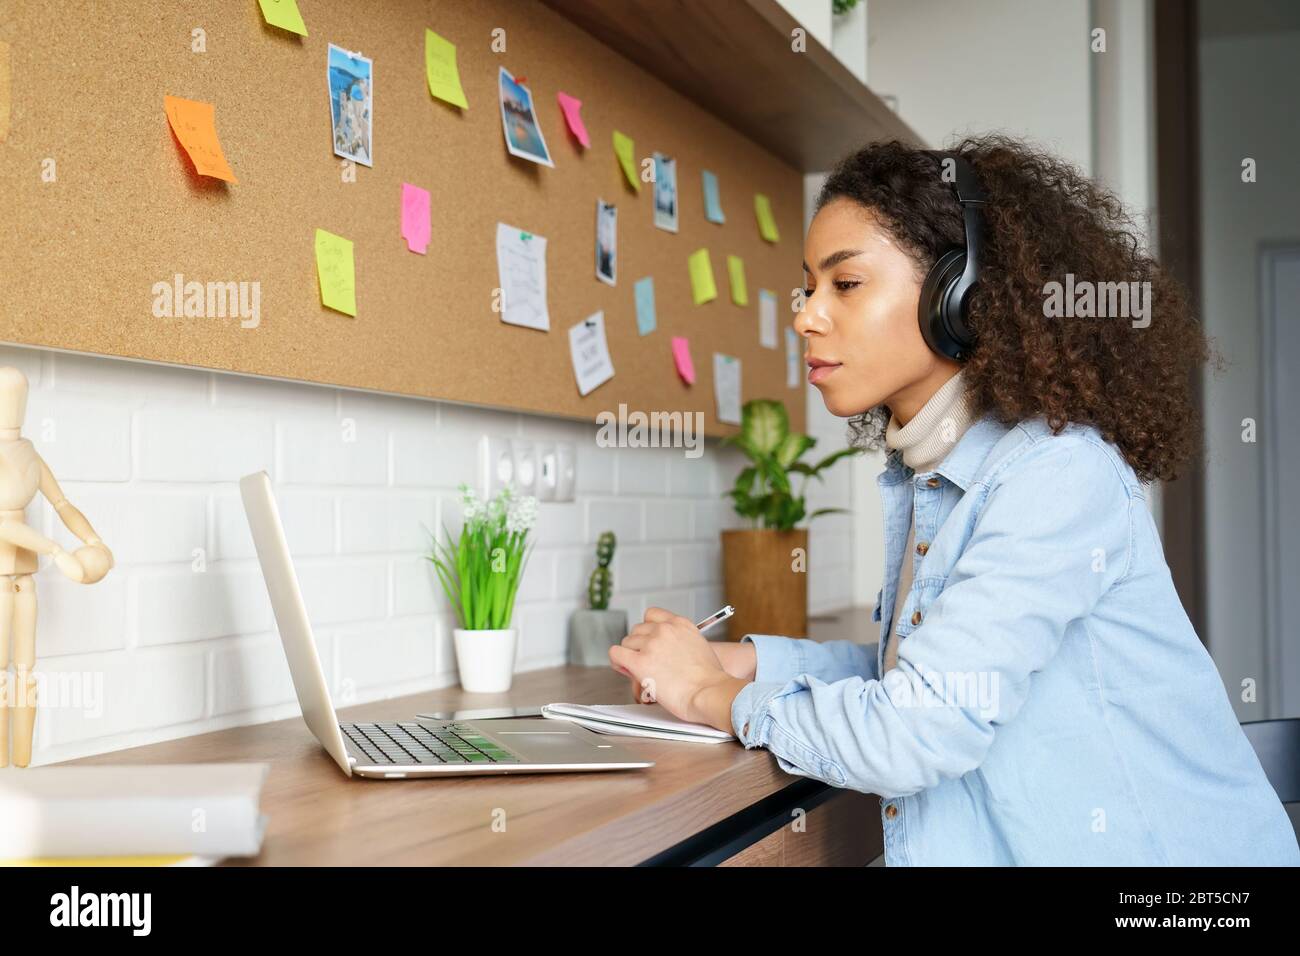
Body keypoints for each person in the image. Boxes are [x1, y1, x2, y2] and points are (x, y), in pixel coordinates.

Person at [609, 135, 1300, 866]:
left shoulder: (1055, 475)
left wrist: (707, 696)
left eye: (845, 285)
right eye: (808, 289)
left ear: (958, 294)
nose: (806, 316)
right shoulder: (930, 477)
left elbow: (916, 728)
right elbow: (926, 676)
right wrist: (753, 663)